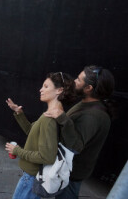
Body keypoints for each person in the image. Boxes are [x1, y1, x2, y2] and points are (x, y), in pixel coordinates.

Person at [44, 66, 115, 199]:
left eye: (78, 79)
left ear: (88, 88)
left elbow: (75, 146)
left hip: (71, 174)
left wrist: (62, 118)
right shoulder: (87, 104)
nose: (74, 81)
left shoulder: (92, 116)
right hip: (67, 171)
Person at [5, 72, 76, 199]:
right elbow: (32, 131)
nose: (41, 89)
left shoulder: (49, 119)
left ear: (59, 90)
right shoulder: (52, 114)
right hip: (34, 176)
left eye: (46, 86)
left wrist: (17, 150)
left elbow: (46, 157)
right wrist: (19, 113)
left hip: (32, 178)